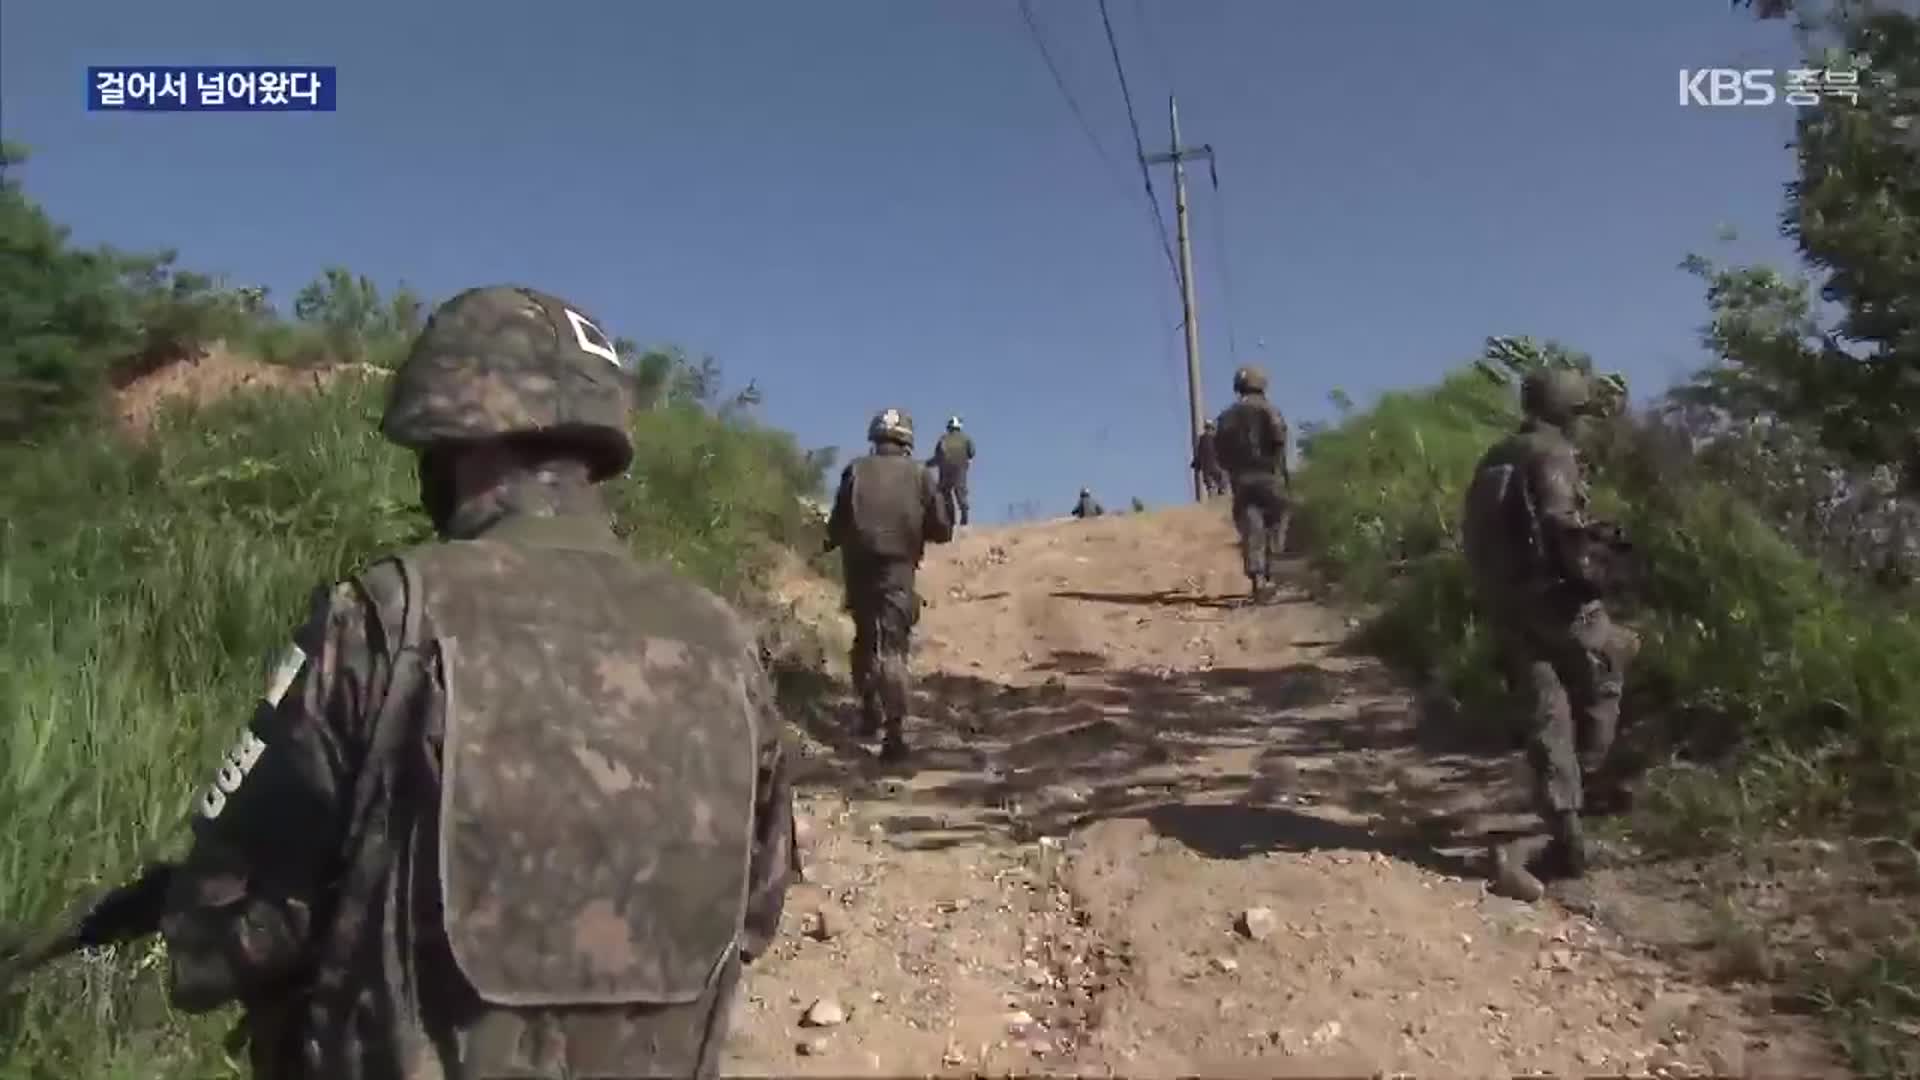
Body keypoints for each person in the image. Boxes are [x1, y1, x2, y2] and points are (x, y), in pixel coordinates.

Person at [157, 285, 798, 1078]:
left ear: (451, 438)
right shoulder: (724, 642)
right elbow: (756, 909)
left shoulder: (385, 617)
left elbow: (232, 928)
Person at [1461, 367, 1640, 898]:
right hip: (1555, 599)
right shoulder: (1551, 452)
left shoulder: (1496, 456)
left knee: (1547, 713)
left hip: (1507, 602)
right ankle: (1590, 786)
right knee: (1613, 660)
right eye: (1580, 412)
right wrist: (1600, 556)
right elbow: (1561, 520)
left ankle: (1566, 833)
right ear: (1565, 410)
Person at [825, 407, 954, 762]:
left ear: (874, 438)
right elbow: (942, 528)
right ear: (908, 441)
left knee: (865, 637)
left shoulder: (855, 469)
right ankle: (894, 734)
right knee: (892, 646)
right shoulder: (920, 475)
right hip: (897, 567)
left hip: (858, 564)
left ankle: (868, 709)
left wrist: (829, 542)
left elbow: (836, 524)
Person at [1213, 365, 1293, 602]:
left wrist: (1232, 471)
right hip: (1269, 475)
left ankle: (1258, 579)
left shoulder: (1226, 416)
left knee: (1251, 526)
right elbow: (1279, 440)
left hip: (1242, 479)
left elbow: (1219, 450)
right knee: (1278, 522)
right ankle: (1272, 571)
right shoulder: (1270, 410)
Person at [931, 416, 976, 527]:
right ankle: (964, 512)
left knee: (944, 492)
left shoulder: (943, 438)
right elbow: (972, 452)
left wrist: (929, 464)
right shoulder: (966, 438)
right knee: (960, 490)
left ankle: (951, 518)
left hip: (945, 467)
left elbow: (937, 455)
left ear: (949, 427)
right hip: (960, 466)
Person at [1192, 420, 1228, 497]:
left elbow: (1198, 455)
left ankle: (1213, 491)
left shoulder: (1201, 440)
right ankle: (1221, 490)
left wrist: (1196, 464)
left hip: (1206, 470)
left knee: (1210, 487)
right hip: (1215, 467)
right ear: (1212, 429)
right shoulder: (1215, 439)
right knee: (1224, 477)